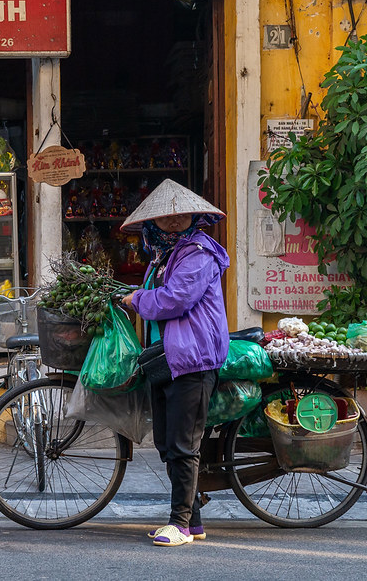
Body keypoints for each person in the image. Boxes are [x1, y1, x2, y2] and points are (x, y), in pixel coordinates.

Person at [120, 178, 230, 547]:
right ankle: (193, 521)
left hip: (193, 360)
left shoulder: (198, 253)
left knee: (184, 445)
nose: (172, 222)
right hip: (167, 360)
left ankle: (179, 524)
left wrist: (138, 300)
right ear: (152, 223)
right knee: (168, 445)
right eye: (165, 217)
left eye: (180, 215)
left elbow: (175, 299)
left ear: (193, 217)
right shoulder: (163, 255)